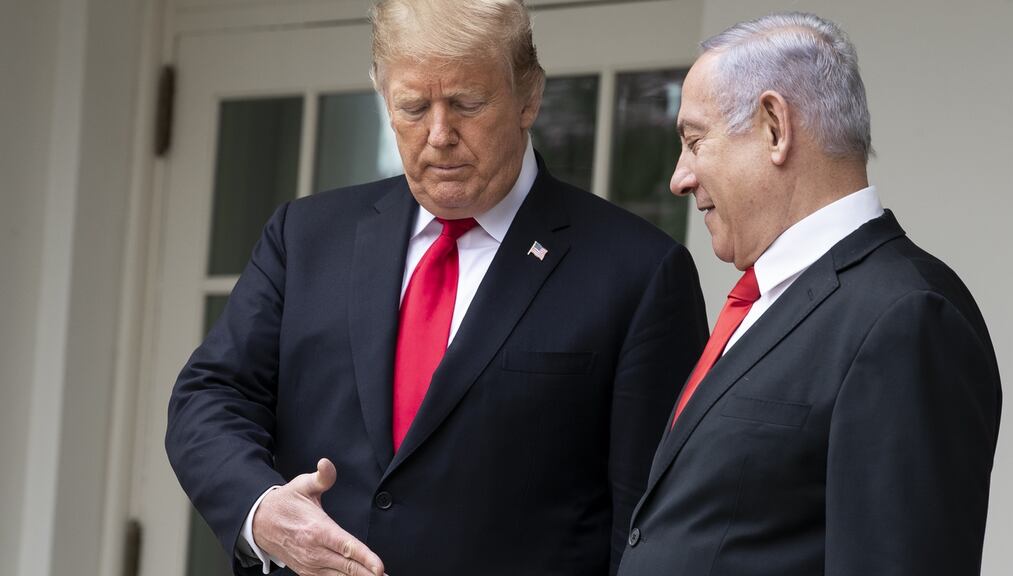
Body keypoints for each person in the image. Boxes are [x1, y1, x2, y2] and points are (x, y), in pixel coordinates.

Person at [165, 1, 708, 575]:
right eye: (413, 107)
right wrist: (262, 510)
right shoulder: (305, 237)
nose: (440, 134)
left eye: (467, 104)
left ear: (530, 97)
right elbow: (208, 398)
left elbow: (649, 529)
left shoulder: (641, 273)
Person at [617, 12, 1001, 576]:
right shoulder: (765, 298)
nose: (679, 177)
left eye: (695, 142)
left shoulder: (907, 316)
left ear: (775, 126)